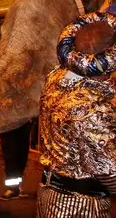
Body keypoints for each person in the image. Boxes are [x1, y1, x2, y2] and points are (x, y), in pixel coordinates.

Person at [37, 12, 116, 217]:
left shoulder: (56, 79)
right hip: (80, 206)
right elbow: (110, 172)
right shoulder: (93, 107)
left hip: (49, 195)